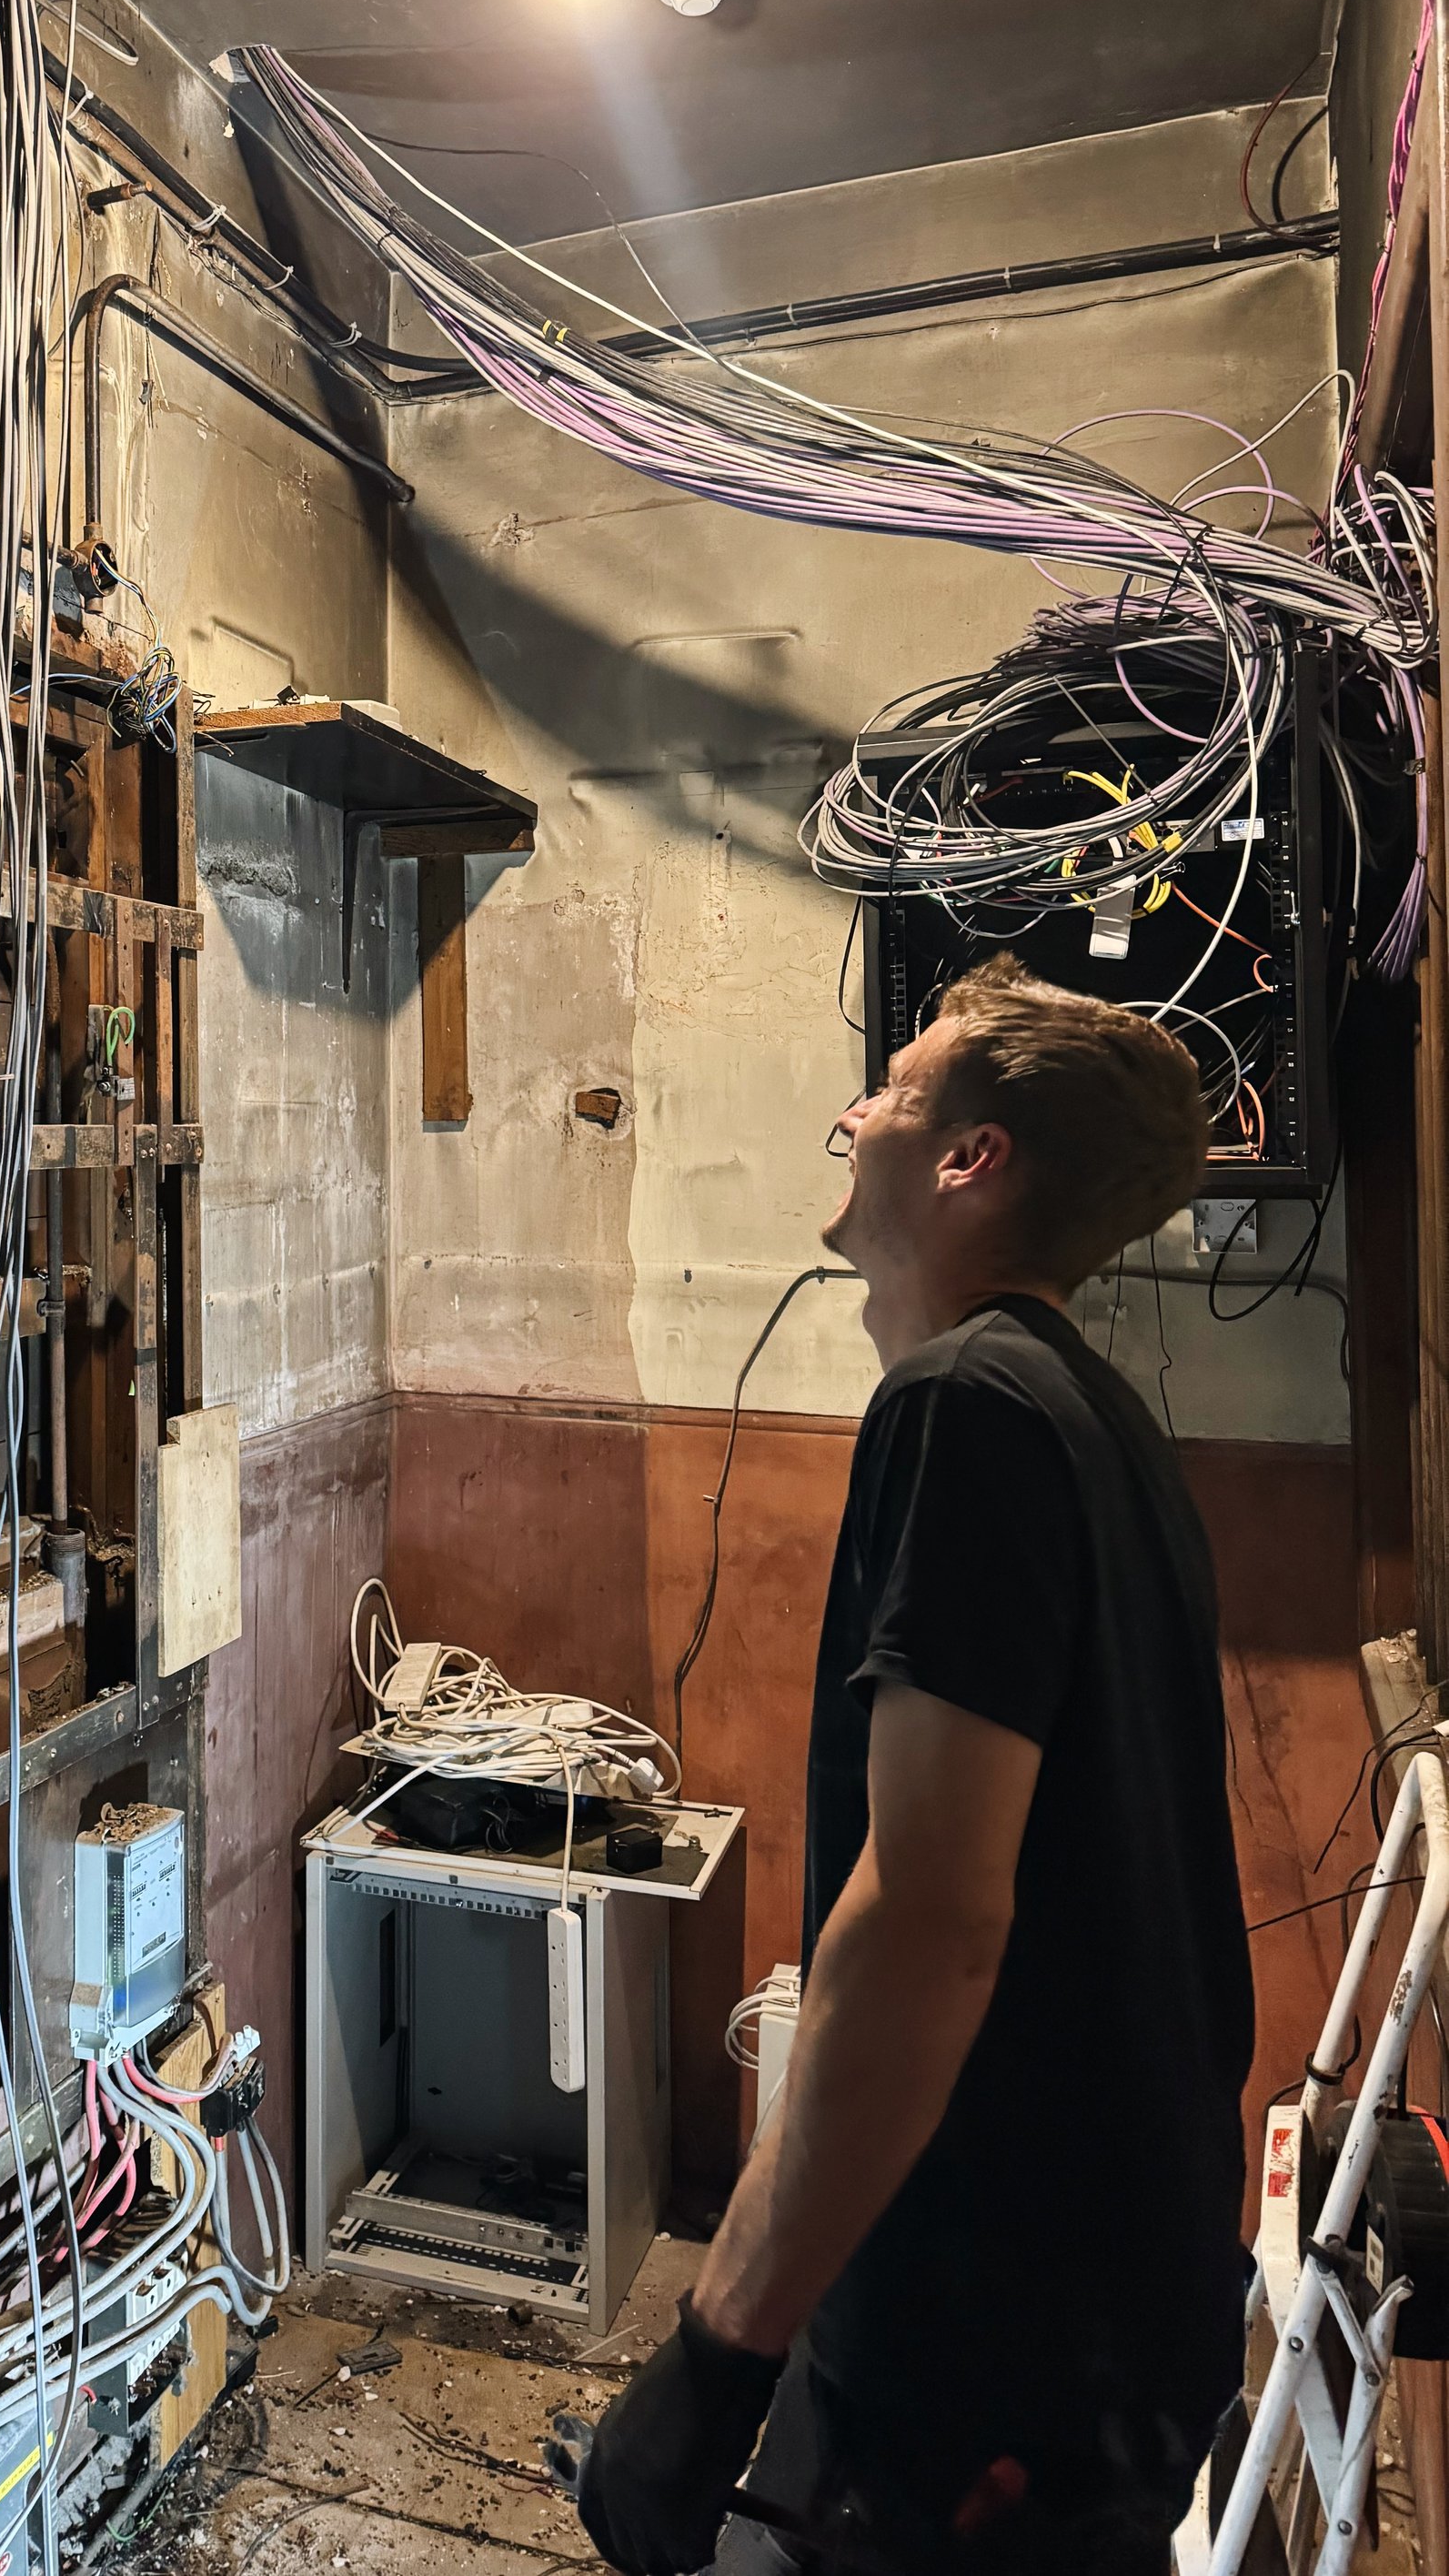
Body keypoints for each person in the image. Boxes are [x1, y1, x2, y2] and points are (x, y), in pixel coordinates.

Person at [572, 957, 1254, 2573]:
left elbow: (934, 1918)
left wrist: (717, 2350)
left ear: (969, 1160)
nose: (850, 1115)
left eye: (888, 1093)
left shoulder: (967, 1404)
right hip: (1102, 2321)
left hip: (998, 2353)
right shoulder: (1101, 1421)